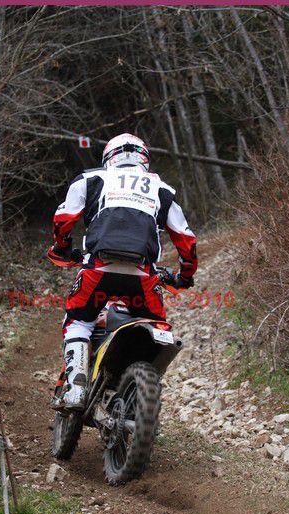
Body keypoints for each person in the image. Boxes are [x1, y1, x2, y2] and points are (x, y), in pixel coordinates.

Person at [48, 133, 197, 411]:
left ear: (109, 158)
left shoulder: (90, 179)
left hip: (99, 269)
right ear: (144, 159)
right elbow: (186, 240)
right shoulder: (163, 189)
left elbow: (64, 218)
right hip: (143, 278)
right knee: (156, 327)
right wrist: (185, 276)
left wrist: (63, 247)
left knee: (78, 320)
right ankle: (138, 394)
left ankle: (76, 388)